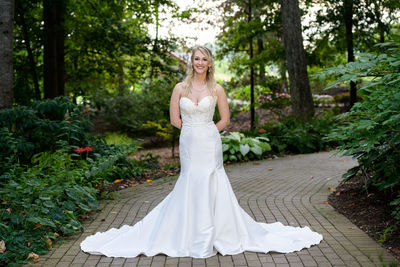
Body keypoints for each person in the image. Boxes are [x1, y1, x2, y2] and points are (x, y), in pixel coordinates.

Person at [80, 45, 323, 258]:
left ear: (209, 63)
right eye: (196, 58)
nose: (199, 63)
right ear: (191, 62)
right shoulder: (179, 88)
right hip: (188, 142)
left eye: (204, 59)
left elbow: (225, 119)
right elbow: (175, 120)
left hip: (209, 142)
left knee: (211, 180)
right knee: (191, 181)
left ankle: (217, 233)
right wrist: (192, 131)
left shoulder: (217, 89)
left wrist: (207, 130)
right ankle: (186, 232)